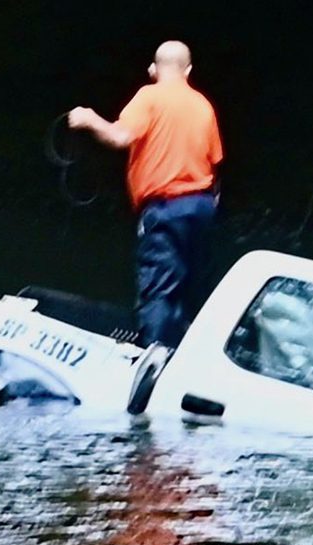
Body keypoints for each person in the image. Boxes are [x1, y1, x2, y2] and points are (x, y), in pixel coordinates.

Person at [68, 40, 223, 346]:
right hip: (202, 207)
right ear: (188, 70)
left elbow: (120, 136)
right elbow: (216, 164)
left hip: (166, 208)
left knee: (159, 288)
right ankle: (189, 351)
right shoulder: (204, 105)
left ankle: (154, 360)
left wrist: (88, 118)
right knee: (192, 287)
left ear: (153, 69)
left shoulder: (149, 96)